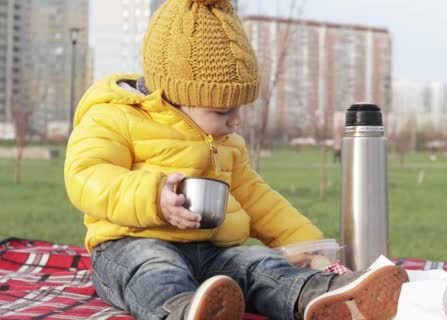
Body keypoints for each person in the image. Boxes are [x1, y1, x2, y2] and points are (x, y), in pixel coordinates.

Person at [64, 0, 407, 319]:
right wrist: (154, 197)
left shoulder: (225, 142)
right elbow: (87, 175)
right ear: (176, 98)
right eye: (223, 111)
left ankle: (327, 294)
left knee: (258, 263)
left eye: (239, 108)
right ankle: (185, 311)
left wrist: (307, 242)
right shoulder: (115, 117)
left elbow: (258, 200)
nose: (236, 120)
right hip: (129, 245)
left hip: (210, 252)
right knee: (155, 268)